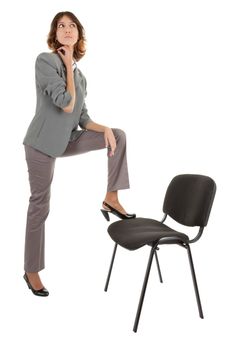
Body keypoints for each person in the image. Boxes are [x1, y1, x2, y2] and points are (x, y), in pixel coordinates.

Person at [22, 11, 136, 297]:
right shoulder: (45, 61)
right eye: (61, 26)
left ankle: (112, 198)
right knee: (40, 204)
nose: (67, 29)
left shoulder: (81, 76)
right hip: (40, 144)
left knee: (118, 136)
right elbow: (65, 103)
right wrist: (68, 66)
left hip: (67, 140)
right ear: (55, 35)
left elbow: (82, 117)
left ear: (78, 33)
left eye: (72, 25)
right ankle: (31, 270)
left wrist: (105, 129)